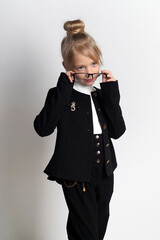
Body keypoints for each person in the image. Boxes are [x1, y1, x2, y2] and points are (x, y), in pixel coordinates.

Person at [33, 19, 126, 240]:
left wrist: (111, 92)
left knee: (97, 228)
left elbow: (118, 131)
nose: (89, 72)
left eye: (94, 64)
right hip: (76, 175)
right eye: (80, 67)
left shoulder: (100, 95)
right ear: (67, 67)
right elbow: (43, 128)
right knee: (87, 234)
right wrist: (63, 89)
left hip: (105, 171)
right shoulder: (60, 95)